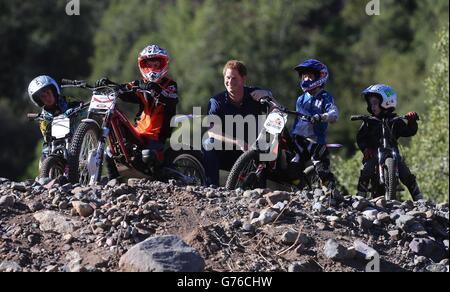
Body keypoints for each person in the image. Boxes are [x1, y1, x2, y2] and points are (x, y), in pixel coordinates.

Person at [95, 44, 178, 180]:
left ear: (163, 64)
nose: (152, 69)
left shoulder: (170, 84)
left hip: (156, 136)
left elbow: (171, 98)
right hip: (138, 133)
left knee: (147, 156)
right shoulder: (140, 83)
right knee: (110, 152)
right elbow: (123, 90)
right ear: (142, 65)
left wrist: (154, 88)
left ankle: (161, 182)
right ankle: (113, 183)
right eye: (149, 65)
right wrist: (109, 84)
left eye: (156, 65)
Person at [203, 60, 272, 186]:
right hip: (227, 151)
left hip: (252, 152)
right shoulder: (216, 101)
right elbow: (212, 132)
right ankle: (211, 187)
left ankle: (260, 191)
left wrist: (268, 95)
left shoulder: (254, 95)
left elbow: (276, 109)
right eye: (227, 78)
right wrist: (237, 141)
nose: (230, 82)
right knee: (209, 144)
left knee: (268, 145)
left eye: (234, 78)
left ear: (243, 78)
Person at [356, 84, 423, 201]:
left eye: (375, 103)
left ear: (386, 102)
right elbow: (360, 138)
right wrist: (365, 149)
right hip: (373, 153)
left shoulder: (395, 120)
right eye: (371, 103)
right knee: (367, 170)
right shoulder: (369, 122)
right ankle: (359, 197)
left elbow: (409, 131)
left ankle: (419, 199)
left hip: (393, 153)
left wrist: (412, 121)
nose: (372, 107)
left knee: (406, 173)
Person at [290, 59, 339, 192]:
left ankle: (332, 193)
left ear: (320, 77)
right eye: (304, 76)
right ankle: (301, 190)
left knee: (321, 169)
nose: (306, 79)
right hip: (299, 139)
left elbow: (334, 114)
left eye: (310, 76)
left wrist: (322, 117)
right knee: (292, 169)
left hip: (316, 140)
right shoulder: (301, 99)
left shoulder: (325, 97)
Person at [28, 75, 82, 168]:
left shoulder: (67, 100)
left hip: (73, 137)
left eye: (48, 93)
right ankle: (45, 174)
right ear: (39, 100)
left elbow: (81, 105)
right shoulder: (43, 116)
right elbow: (46, 137)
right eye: (43, 96)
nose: (47, 97)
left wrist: (75, 109)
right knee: (43, 158)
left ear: (53, 90)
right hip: (54, 143)